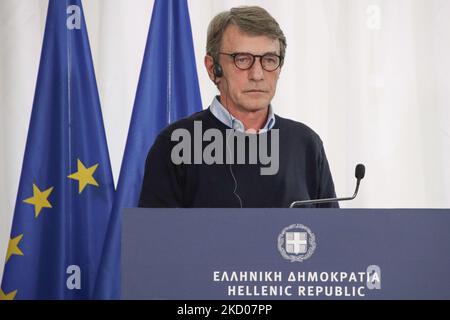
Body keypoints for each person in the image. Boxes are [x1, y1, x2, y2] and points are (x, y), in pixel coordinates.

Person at [138, 6, 338, 208]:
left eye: (269, 60)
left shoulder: (306, 144)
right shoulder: (174, 144)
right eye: (242, 59)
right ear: (212, 68)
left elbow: (331, 235)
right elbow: (157, 237)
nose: (257, 74)